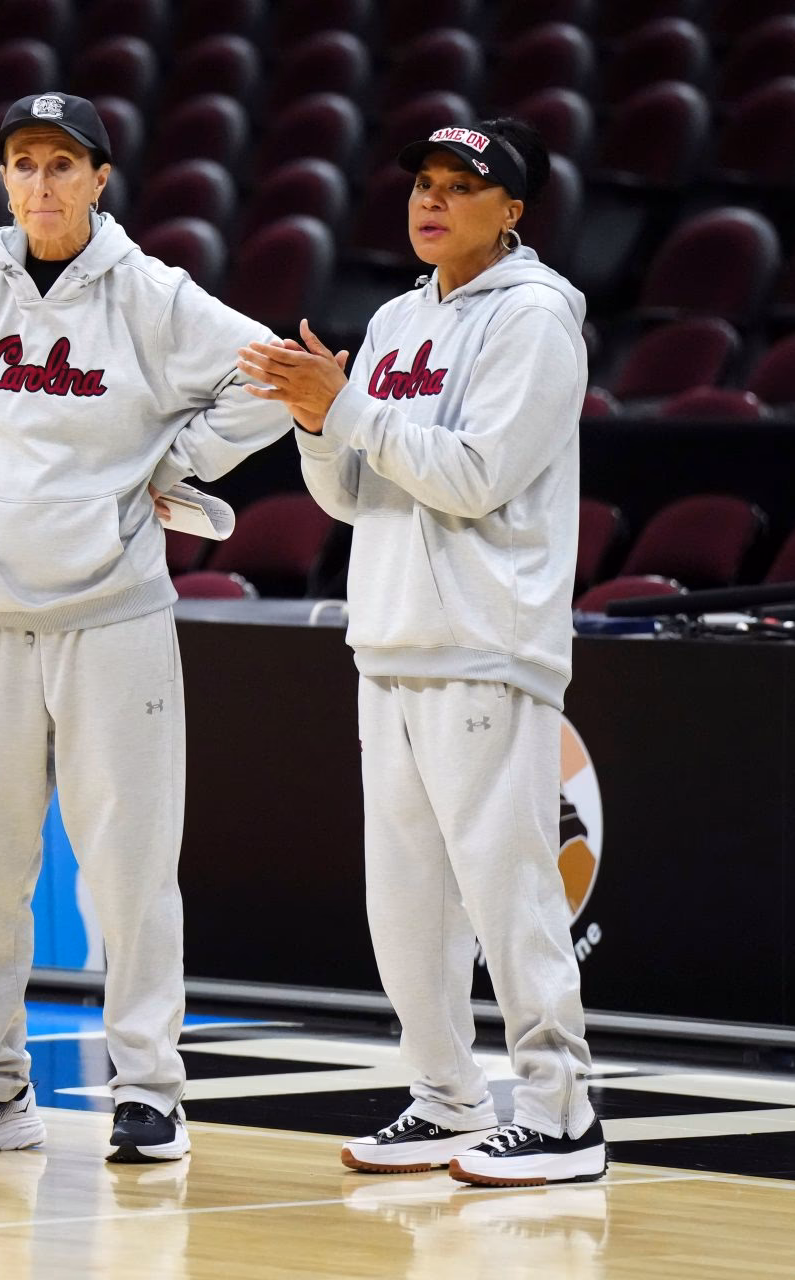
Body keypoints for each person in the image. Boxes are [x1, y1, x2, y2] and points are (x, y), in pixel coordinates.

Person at [0, 92, 294, 1164]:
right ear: (5, 179)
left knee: (129, 867)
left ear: (100, 179)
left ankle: (150, 1089)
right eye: (23, 164)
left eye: (61, 165)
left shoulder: (149, 295)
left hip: (112, 620)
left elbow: (274, 376)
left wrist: (171, 470)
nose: (40, 183)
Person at [237, 118, 605, 1187]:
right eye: (424, 184)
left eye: (460, 186)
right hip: (391, 635)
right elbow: (352, 495)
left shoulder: (536, 321)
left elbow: (478, 474)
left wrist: (345, 406)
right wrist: (316, 424)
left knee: (509, 891)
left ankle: (562, 1111)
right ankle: (448, 1097)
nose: (431, 201)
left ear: (515, 210)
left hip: (487, 640)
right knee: (405, 904)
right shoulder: (400, 317)